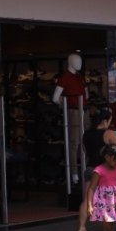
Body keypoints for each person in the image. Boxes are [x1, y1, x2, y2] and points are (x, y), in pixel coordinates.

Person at [74, 108, 116, 231]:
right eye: (110, 120)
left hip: (90, 168)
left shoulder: (86, 134)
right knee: (112, 198)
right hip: (104, 170)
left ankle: (81, 228)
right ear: (105, 120)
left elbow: (84, 150)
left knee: (86, 200)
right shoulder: (108, 134)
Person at [52, 53, 87, 182]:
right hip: (74, 112)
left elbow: (86, 94)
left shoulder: (79, 77)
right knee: (74, 143)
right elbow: (55, 98)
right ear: (70, 61)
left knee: (84, 142)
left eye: (80, 60)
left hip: (83, 110)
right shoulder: (65, 77)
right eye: (77, 60)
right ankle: (74, 173)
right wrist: (67, 104)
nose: (80, 63)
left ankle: (84, 170)